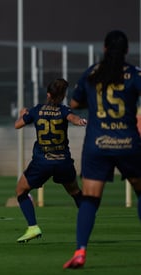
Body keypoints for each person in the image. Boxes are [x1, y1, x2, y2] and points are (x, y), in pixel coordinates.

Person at [63, 30, 141, 269]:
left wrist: (94, 101)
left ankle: (80, 251)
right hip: (128, 143)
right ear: (126, 50)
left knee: (90, 199)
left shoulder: (92, 73)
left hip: (97, 144)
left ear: (104, 49)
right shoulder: (135, 73)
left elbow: (74, 103)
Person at [14, 78, 87, 243]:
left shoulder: (37, 110)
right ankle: (87, 215)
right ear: (62, 96)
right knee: (75, 192)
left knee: (21, 191)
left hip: (42, 162)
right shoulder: (64, 110)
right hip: (63, 162)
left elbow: (17, 125)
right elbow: (74, 119)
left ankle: (33, 227)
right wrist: (81, 121)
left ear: (48, 94)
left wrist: (22, 115)